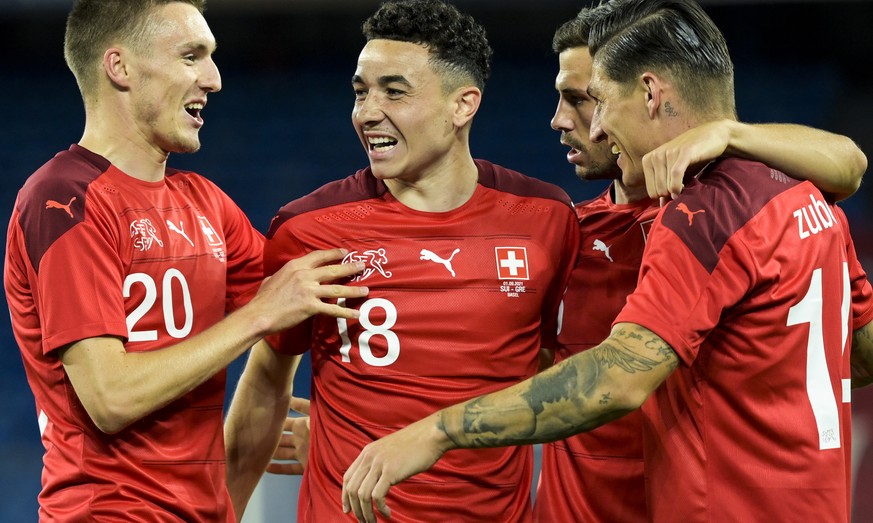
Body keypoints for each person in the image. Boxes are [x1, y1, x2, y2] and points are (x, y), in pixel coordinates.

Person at [341, 1, 873, 522]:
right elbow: (855, 348)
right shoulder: (802, 196)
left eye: (592, 100)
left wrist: (435, 433)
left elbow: (615, 379)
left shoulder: (696, 215)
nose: (586, 127)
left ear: (648, 91)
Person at [2, 1, 367, 521]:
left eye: (211, 58)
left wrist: (335, 436)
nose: (214, 79)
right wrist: (262, 312)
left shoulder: (205, 203)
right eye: (191, 56)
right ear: (120, 67)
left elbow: (297, 319)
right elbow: (110, 398)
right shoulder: (64, 200)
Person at [222, 0, 579, 521]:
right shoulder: (308, 228)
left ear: (463, 105)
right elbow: (267, 379)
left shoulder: (547, 219)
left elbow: (543, 368)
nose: (367, 112)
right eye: (361, 91)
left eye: (394, 91)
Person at [535, 6, 869, 522]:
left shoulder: (730, 214)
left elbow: (850, 164)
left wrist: (732, 133)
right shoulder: (561, 235)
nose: (565, 119)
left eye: (586, 99)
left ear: (645, 95)